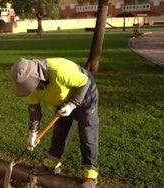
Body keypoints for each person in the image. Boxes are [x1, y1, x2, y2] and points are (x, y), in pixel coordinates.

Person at [10, 57, 99, 188]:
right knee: (60, 132)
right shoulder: (32, 86)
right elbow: (34, 110)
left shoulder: (58, 71)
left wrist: (73, 104)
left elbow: (84, 82)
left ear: (35, 77)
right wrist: (33, 132)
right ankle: (52, 165)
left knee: (87, 134)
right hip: (63, 102)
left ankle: (90, 176)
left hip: (86, 96)